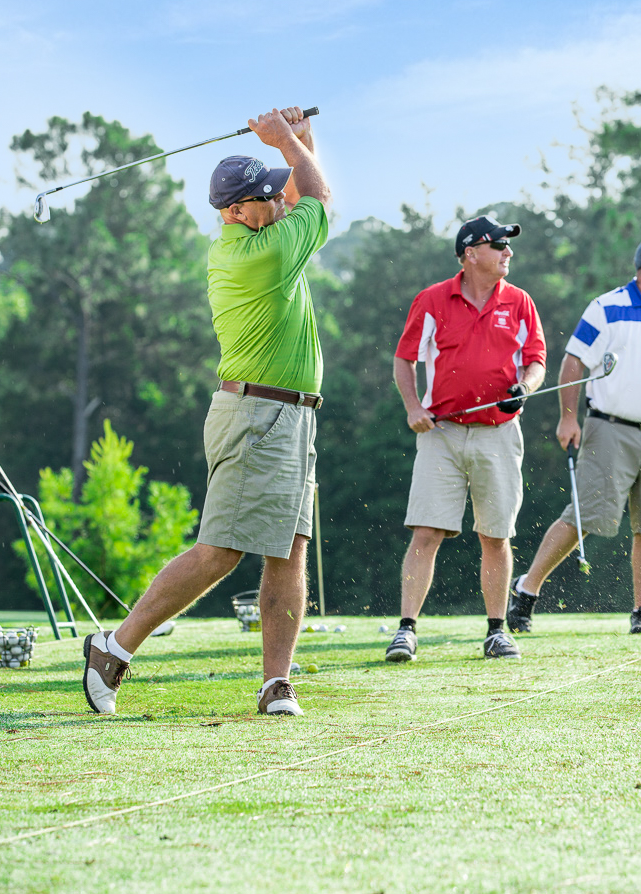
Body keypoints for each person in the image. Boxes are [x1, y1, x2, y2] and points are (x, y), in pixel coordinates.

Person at [81, 106, 330, 717]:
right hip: (257, 416)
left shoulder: (262, 233)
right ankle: (113, 649)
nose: (278, 200)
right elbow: (319, 196)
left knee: (288, 551)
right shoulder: (257, 256)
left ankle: (276, 682)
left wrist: (298, 139)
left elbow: (301, 186)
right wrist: (286, 142)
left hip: (290, 417)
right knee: (220, 551)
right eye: (265, 196)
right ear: (236, 211)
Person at [508, 235, 641, 635]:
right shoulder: (607, 308)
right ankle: (527, 589)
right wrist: (568, 419)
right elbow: (573, 363)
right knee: (583, 516)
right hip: (609, 429)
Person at [386, 215, 547, 662]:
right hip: (442, 433)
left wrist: (526, 387)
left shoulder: (519, 301)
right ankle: (406, 631)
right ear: (471, 252)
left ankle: (497, 630)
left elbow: (536, 360)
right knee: (426, 531)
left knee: (495, 535)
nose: (507, 253)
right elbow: (405, 360)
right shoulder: (434, 300)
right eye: (499, 246)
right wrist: (413, 408)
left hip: (499, 433)